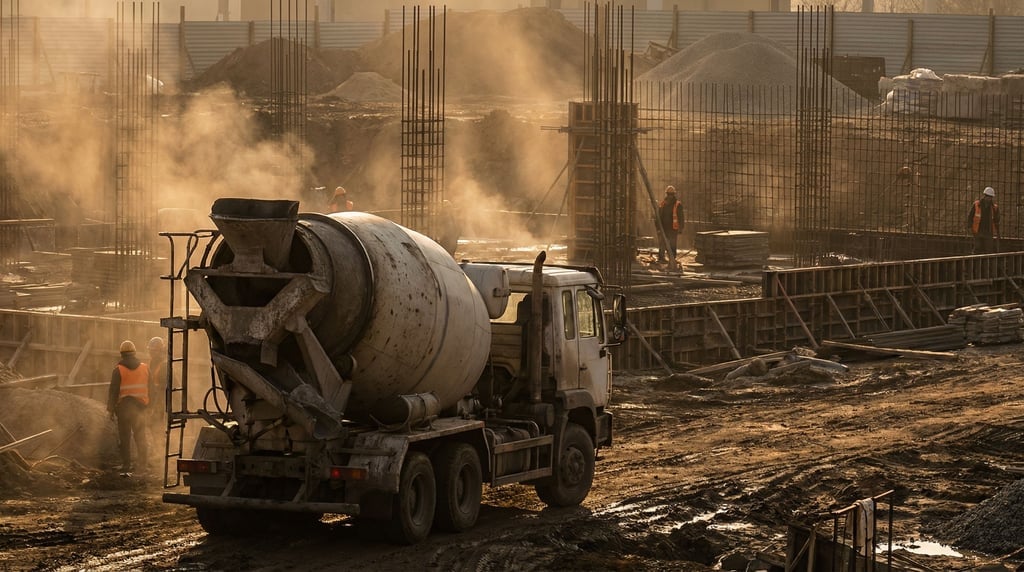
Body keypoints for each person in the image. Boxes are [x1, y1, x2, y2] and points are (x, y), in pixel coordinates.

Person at [107, 340, 151, 473]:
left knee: (125, 438)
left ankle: (126, 465)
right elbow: (152, 389)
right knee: (140, 436)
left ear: (121, 354)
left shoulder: (118, 370)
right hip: (140, 408)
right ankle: (142, 465)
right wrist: (151, 407)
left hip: (124, 409)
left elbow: (113, 391)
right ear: (134, 352)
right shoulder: (145, 368)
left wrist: (110, 410)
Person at [146, 336, 168, 445]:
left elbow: (162, 387)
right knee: (151, 424)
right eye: (150, 351)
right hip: (152, 398)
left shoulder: (163, 365)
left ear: (160, 351)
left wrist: (155, 405)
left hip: (159, 401)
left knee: (157, 425)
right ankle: (157, 447)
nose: (151, 353)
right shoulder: (152, 362)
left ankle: (160, 448)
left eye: (153, 351)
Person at [967, 186, 999, 254]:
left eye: (990, 197)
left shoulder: (994, 208)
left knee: (988, 250)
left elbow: (997, 220)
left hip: (988, 232)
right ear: (984, 196)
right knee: (977, 249)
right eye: (988, 196)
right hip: (978, 231)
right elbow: (970, 216)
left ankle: (986, 264)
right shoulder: (976, 205)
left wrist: (997, 231)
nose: (989, 198)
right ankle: (976, 263)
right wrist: (970, 227)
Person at [657, 185, 683, 264]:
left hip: (673, 228)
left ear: (674, 194)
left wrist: (681, 228)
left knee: (672, 244)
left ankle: (672, 258)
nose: (670, 196)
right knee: (662, 243)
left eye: (671, 194)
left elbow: (681, 217)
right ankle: (661, 258)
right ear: (666, 194)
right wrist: (658, 227)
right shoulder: (662, 204)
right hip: (663, 228)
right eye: (669, 194)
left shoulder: (678, 204)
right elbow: (658, 216)